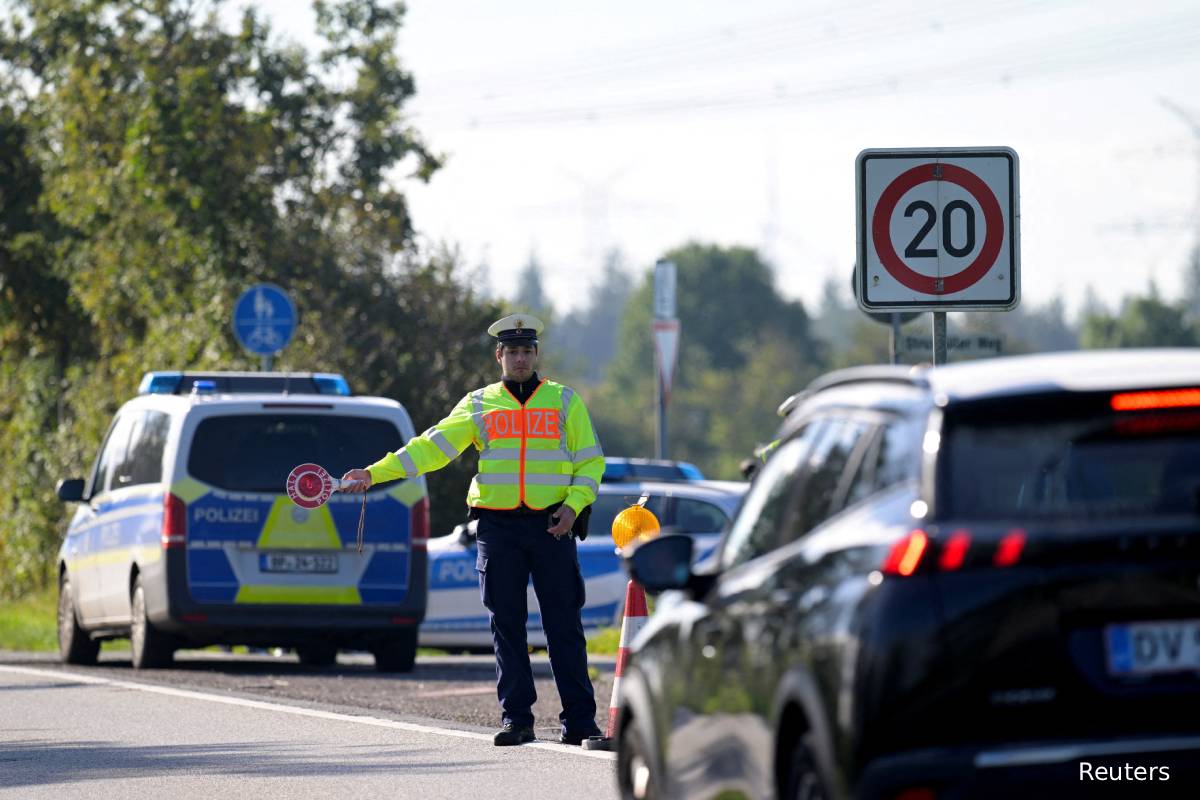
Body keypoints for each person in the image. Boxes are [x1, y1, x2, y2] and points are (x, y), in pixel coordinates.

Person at [341, 313, 606, 747]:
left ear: (536, 354)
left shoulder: (564, 401)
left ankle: (579, 722)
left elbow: (591, 462)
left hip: (552, 525)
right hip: (498, 526)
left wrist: (574, 508)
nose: (520, 359)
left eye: (527, 351)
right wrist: (374, 473)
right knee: (507, 625)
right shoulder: (479, 403)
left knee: (564, 626)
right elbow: (431, 448)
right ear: (499, 355)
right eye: (512, 352)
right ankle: (516, 720)